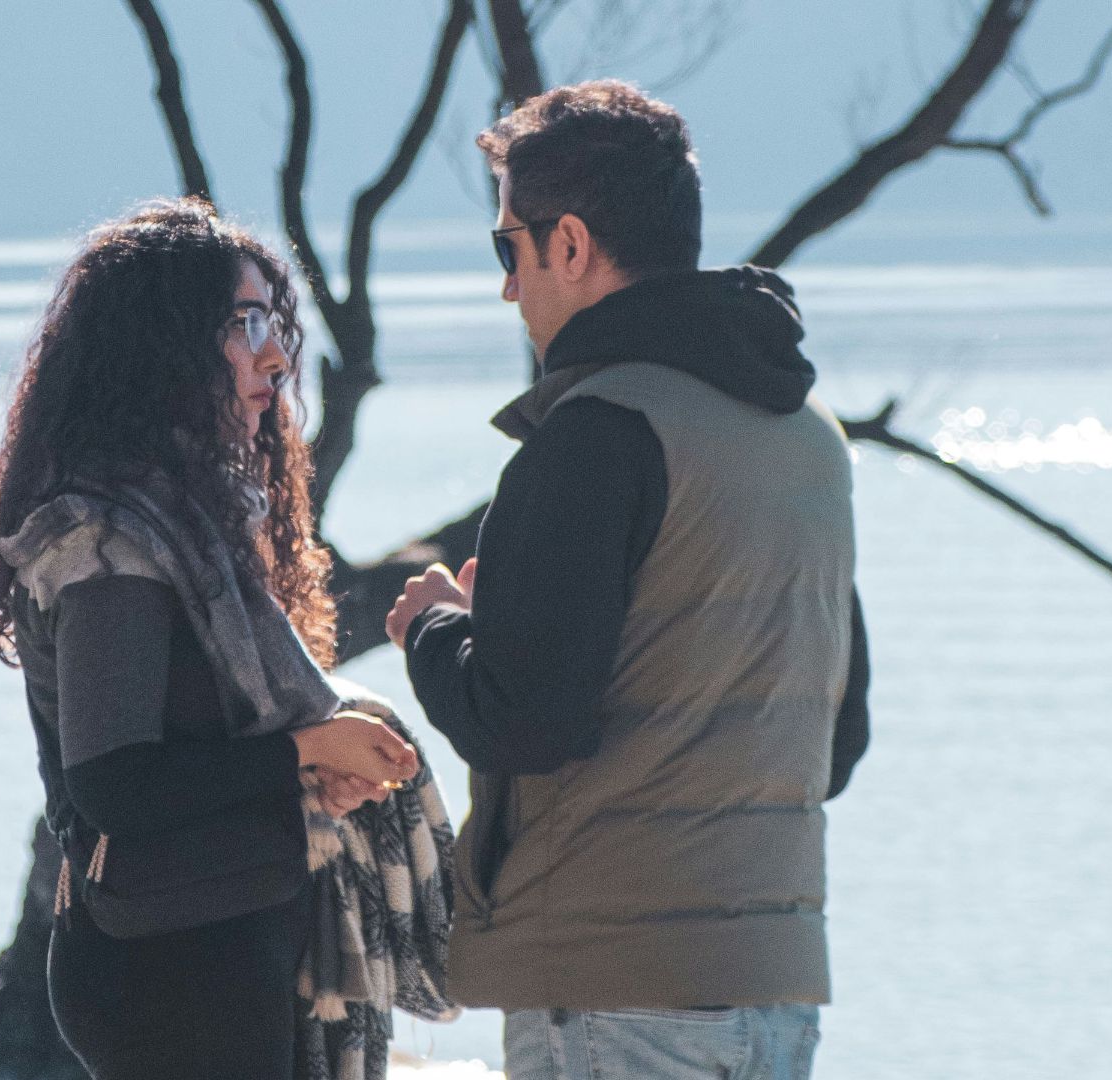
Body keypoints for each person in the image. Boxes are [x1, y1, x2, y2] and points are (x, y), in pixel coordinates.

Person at [385, 81, 872, 1080]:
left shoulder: (594, 435)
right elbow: (840, 739)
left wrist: (435, 631)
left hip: (613, 989)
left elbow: (526, 722)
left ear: (568, 244)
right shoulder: (809, 442)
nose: (509, 289)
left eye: (506, 248)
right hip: (775, 987)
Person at [0, 199, 444, 1080]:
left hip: (218, 943)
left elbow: (219, 745)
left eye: (274, 320)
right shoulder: (112, 547)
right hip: (162, 971)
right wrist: (306, 746)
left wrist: (315, 764)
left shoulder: (198, 526)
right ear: (162, 348)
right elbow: (115, 783)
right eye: (243, 323)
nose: (274, 352)